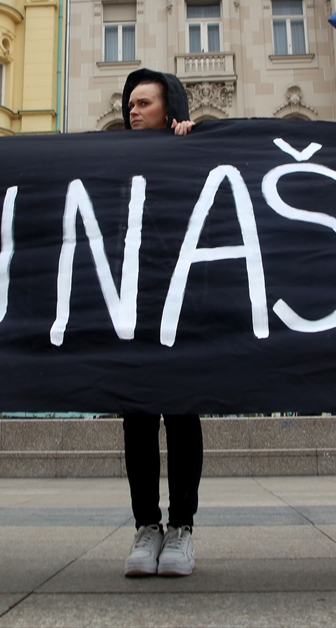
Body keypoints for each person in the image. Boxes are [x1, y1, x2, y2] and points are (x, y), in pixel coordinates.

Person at [117, 68, 201, 578]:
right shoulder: (113, 159)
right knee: (138, 419)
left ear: (169, 110)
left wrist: (193, 148)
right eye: (130, 102)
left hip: (183, 307)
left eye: (144, 102)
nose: (133, 110)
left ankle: (182, 528)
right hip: (131, 306)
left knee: (183, 416)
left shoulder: (188, 153)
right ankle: (147, 526)